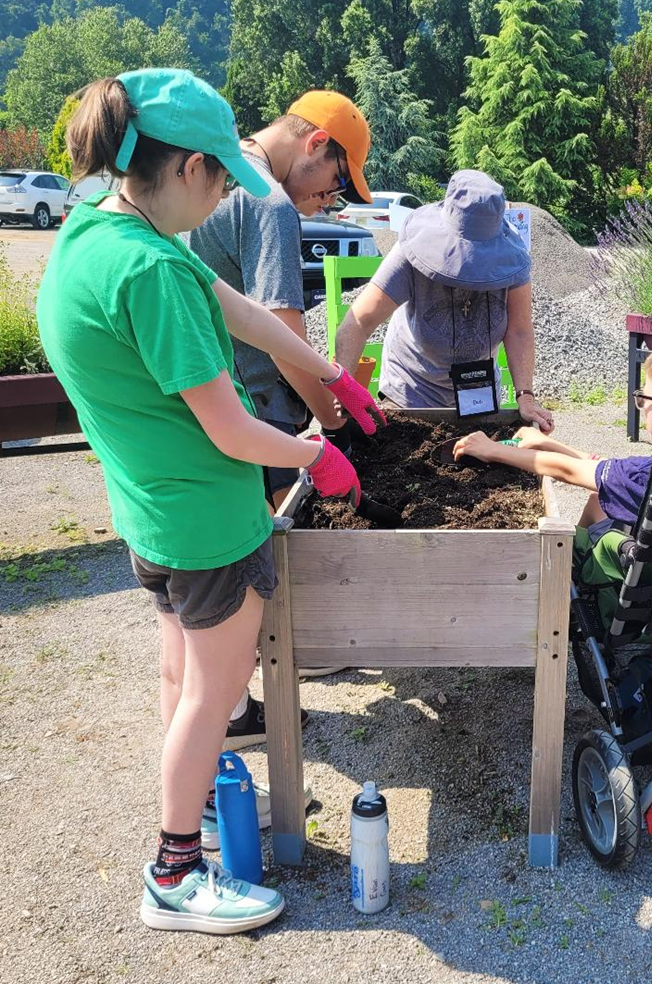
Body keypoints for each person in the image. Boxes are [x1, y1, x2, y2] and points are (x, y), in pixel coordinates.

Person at [36, 68, 383, 934]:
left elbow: (233, 306)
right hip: (207, 525)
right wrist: (318, 455)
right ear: (188, 167)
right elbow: (231, 431)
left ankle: (199, 820)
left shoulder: (100, 232)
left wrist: (331, 370)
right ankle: (176, 873)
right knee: (214, 695)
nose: (230, 188)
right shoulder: (150, 275)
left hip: (152, 515)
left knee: (181, 679)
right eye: (222, 173)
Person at [185, 90, 373, 744]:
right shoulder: (266, 201)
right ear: (317, 143)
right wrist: (335, 416)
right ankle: (295, 662)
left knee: (208, 580)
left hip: (204, 409)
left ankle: (229, 712)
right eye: (334, 187)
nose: (327, 202)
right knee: (261, 569)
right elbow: (280, 331)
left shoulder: (209, 174)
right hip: (255, 413)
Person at [335, 169, 555, 433]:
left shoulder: (512, 264)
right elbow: (358, 321)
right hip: (412, 391)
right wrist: (345, 389)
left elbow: (519, 330)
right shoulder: (410, 254)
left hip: (478, 393)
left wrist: (525, 395)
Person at [453, 341, 652, 532]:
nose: (640, 405)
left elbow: (568, 470)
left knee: (597, 500)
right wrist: (548, 443)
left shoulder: (649, 474)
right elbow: (608, 468)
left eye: (643, 398)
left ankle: (574, 576)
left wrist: (492, 449)